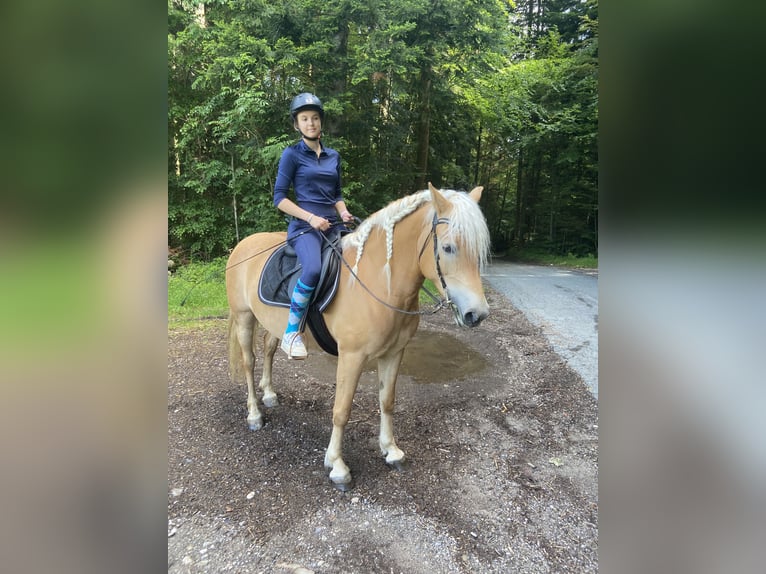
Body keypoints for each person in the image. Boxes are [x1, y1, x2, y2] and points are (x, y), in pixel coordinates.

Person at [273, 92, 354, 359]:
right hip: (305, 228)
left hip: (333, 226)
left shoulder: (333, 156)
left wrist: (343, 212)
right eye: (305, 119)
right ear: (297, 124)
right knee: (313, 269)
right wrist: (310, 218)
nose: (311, 123)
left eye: (315, 118)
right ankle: (292, 332)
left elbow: (337, 194)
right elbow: (279, 199)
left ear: (321, 122)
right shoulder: (292, 155)